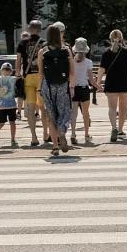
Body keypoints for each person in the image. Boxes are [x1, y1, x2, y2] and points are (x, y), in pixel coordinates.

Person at [37, 22, 75, 156]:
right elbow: (72, 71)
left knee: (51, 116)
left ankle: (54, 146)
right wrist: (71, 86)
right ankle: (62, 133)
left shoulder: (43, 51)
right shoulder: (66, 50)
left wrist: (38, 90)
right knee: (64, 112)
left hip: (47, 86)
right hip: (63, 86)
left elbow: (40, 73)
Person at [99, 29, 127, 143]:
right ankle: (120, 129)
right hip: (125, 83)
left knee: (112, 108)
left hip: (111, 84)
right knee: (123, 107)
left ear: (110, 39)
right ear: (122, 38)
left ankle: (113, 128)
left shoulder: (106, 53)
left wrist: (98, 83)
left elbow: (101, 70)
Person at [16, 20, 45, 146]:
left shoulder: (22, 43)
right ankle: (46, 134)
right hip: (41, 77)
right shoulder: (44, 43)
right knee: (44, 108)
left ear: (29, 29)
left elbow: (18, 61)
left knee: (31, 108)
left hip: (28, 77)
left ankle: (34, 137)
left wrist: (18, 74)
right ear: (40, 29)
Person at [70, 37, 97, 144]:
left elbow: (70, 76)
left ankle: (72, 134)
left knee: (73, 114)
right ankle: (86, 134)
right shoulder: (88, 62)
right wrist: (98, 86)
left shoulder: (71, 61)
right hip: (84, 88)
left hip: (73, 89)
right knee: (85, 114)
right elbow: (91, 79)